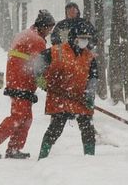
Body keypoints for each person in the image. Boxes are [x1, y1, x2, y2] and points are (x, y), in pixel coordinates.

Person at [0, 9, 55, 159]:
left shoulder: (24, 34)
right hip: (23, 83)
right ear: (43, 26)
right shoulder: (37, 41)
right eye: (49, 28)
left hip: (16, 80)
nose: (49, 32)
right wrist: (46, 85)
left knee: (26, 118)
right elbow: (38, 67)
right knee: (19, 117)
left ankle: (14, 148)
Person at [36, 20, 99, 159]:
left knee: (88, 130)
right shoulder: (57, 51)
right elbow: (37, 64)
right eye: (82, 38)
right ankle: (43, 157)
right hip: (59, 97)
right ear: (73, 38)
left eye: (87, 39)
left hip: (80, 98)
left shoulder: (89, 57)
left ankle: (90, 160)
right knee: (55, 130)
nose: (84, 41)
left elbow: (93, 77)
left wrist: (89, 95)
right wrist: (41, 80)